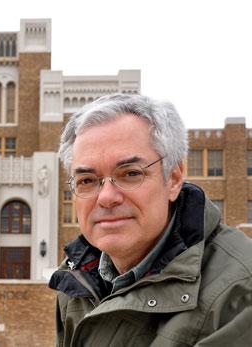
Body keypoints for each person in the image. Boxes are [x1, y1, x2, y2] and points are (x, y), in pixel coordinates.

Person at [49, 94, 252, 346]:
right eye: (87, 180)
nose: (106, 197)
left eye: (130, 174)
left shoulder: (239, 292)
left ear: (174, 179)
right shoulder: (77, 280)